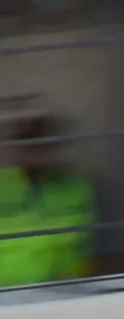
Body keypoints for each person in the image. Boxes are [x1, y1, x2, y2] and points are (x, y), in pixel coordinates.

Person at [0, 102, 96, 287]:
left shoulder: (75, 187)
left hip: (62, 295)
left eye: (41, 141)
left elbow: (90, 251)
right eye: (26, 140)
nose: (33, 150)